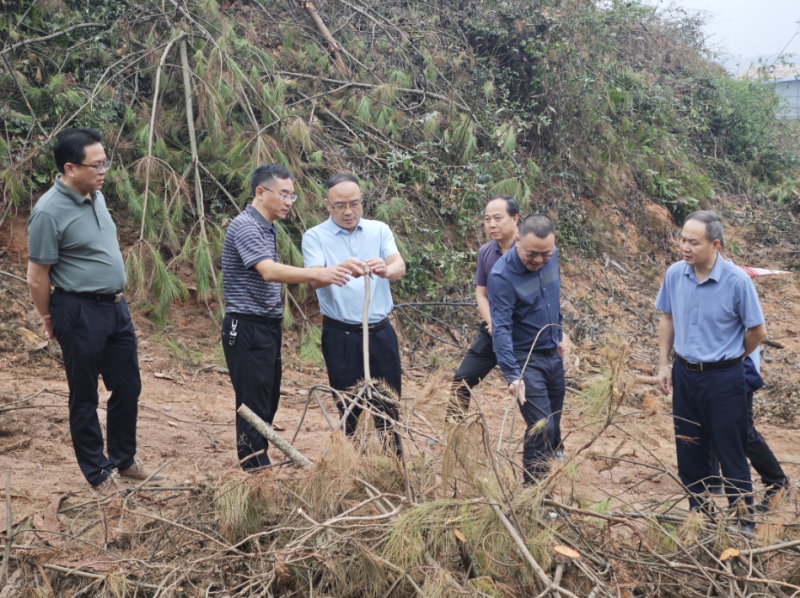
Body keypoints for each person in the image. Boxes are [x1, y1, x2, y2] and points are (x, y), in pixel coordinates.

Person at [26, 128, 162, 497]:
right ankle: (98, 472)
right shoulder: (48, 213)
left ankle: (124, 458)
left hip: (116, 308)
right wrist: (47, 316)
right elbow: (38, 277)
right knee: (84, 394)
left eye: (106, 162)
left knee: (128, 385)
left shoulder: (95, 196)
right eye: (96, 164)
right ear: (70, 168)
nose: (104, 170)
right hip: (77, 309)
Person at [221, 164, 351, 471]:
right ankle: (255, 471)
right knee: (252, 403)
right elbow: (269, 271)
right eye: (284, 194)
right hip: (246, 325)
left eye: (292, 196)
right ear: (261, 192)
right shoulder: (246, 226)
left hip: (267, 326)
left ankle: (259, 461)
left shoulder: (268, 227)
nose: (289, 201)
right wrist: (318, 273)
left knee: (266, 400)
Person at [655, 210, 766, 523]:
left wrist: (734, 357)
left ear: (715, 244)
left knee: (730, 448)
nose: (685, 247)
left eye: (694, 242)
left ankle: (743, 520)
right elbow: (667, 317)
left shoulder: (737, 281)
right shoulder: (676, 274)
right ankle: (700, 516)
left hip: (724, 378)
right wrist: (664, 363)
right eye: (682, 240)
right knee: (688, 447)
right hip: (684, 373)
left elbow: (757, 330)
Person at [302, 174, 406, 454]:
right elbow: (315, 279)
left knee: (388, 406)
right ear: (327, 205)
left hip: (381, 333)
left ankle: (394, 467)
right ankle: (351, 465)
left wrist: (386, 268)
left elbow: (398, 264)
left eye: (354, 204)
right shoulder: (314, 236)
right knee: (348, 408)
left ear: (362, 201)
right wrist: (342, 267)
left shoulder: (379, 230)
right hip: (341, 334)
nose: (348, 211)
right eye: (339, 205)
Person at [488, 213, 565, 484]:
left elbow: (552, 298)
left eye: (546, 254)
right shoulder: (502, 276)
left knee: (553, 422)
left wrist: (560, 334)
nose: (539, 260)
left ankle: (545, 484)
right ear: (518, 240)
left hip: (552, 354)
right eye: (532, 254)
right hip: (525, 358)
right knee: (541, 427)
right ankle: (533, 495)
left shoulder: (550, 255)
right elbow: (501, 328)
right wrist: (512, 374)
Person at [446, 195, 519, 421]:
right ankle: (452, 432)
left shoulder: (531, 250)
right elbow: (481, 293)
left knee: (536, 389)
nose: (491, 224)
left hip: (524, 333)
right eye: (487, 219)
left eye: (498, 218)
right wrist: (492, 323)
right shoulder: (486, 252)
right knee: (462, 379)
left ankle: (552, 446)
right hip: (492, 330)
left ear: (515, 219)